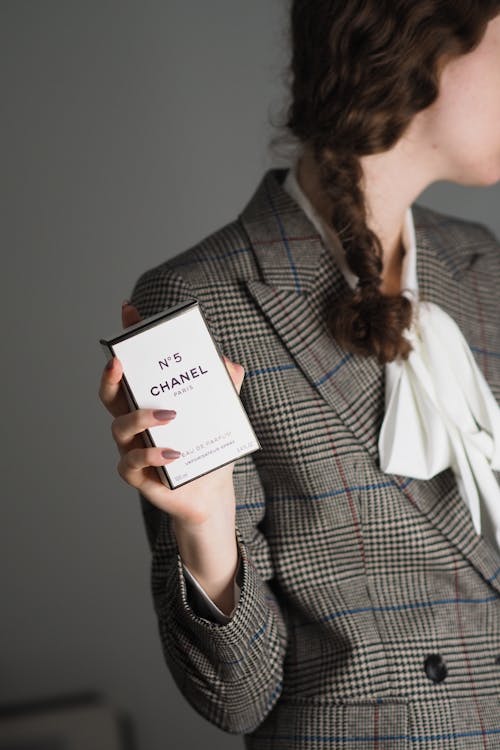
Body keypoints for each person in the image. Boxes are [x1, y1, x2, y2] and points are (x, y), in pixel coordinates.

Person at [98, 2, 500, 747]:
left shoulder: (484, 267)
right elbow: (236, 700)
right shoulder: (198, 305)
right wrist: (206, 527)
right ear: (421, 47)